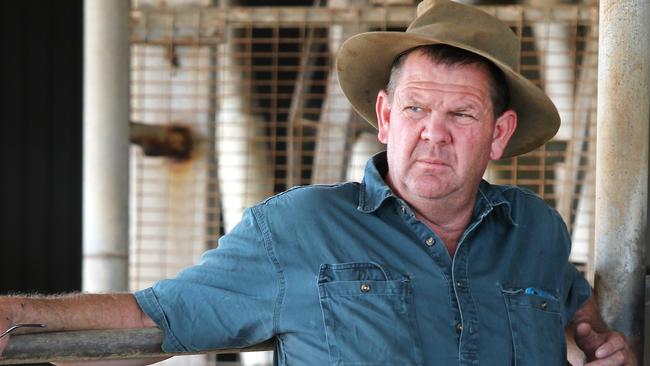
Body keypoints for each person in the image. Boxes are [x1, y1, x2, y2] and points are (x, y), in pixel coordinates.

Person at [0, 0, 637, 365]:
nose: (433, 133)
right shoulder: (296, 228)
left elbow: (570, 296)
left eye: (461, 114)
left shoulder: (536, 229)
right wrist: (17, 314)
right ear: (386, 118)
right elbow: (153, 317)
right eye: (415, 108)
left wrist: (600, 341)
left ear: (498, 134)